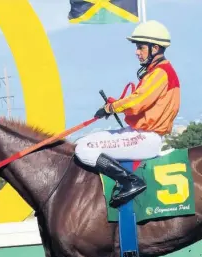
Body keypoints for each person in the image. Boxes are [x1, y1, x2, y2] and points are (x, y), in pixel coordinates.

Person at [74, 20, 181, 208]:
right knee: (81, 142)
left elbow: (137, 102)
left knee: (83, 149)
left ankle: (130, 182)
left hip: (145, 138)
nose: (136, 52)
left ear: (155, 48)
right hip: (141, 134)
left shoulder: (160, 73)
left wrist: (111, 108)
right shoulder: (157, 71)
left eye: (140, 47)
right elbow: (138, 101)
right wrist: (115, 105)